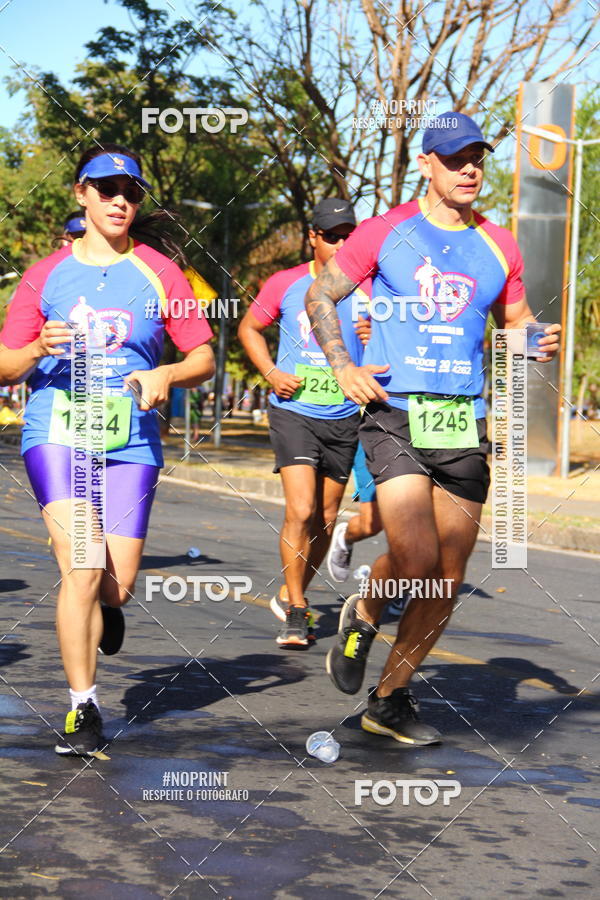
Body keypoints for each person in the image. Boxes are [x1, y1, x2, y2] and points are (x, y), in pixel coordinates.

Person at [305, 112, 560, 744]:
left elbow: (515, 318)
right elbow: (321, 297)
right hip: (395, 412)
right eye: (455, 158)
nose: (470, 168)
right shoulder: (385, 231)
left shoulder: (500, 244)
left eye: (478, 157)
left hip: (462, 418)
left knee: (447, 573)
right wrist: (343, 367)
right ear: (427, 163)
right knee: (416, 556)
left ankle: (389, 699)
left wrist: (532, 340)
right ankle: (365, 609)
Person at [0, 143, 215, 756]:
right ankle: (83, 708)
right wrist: (38, 348)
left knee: (112, 587)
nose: (121, 201)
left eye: (131, 192)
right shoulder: (46, 275)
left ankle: (102, 602)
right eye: (107, 190)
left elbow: (201, 353)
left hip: (130, 437)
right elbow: (4, 362)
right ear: (81, 194)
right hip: (59, 429)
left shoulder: (160, 272)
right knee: (83, 562)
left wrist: (166, 376)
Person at [238, 199, 370, 648]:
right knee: (300, 510)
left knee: (326, 517)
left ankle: (293, 590)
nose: (341, 243)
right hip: (294, 409)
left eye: (348, 235)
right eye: (331, 235)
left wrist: (375, 337)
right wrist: (271, 373)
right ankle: (296, 610)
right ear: (312, 237)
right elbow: (248, 329)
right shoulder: (285, 283)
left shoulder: (368, 288)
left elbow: (387, 344)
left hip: (344, 414)